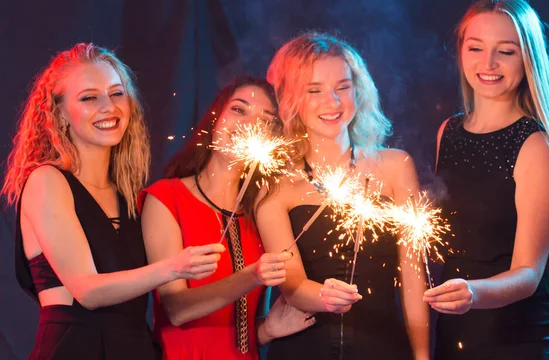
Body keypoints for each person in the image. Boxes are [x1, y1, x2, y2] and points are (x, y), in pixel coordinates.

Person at [2, 43, 224, 359]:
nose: (108, 106)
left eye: (117, 93)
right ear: (60, 113)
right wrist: (174, 267)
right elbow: (87, 290)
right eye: (89, 97)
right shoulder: (47, 181)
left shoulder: (127, 194)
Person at [425, 0, 549, 359]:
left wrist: (473, 293)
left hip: (519, 346)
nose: (489, 63)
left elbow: (528, 273)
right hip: (454, 342)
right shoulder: (447, 133)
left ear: (527, 57)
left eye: (506, 51)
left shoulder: (535, 145)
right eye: (476, 48)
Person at [256, 32, 430, 359]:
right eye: (314, 90)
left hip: (383, 346)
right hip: (305, 349)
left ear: (358, 89)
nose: (332, 102)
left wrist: (422, 355)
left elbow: (413, 277)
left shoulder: (395, 166)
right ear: (292, 99)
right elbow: (290, 285)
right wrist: (323, 295)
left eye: (343, 87)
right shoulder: (276, 183)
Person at [139, 76, 315, 360]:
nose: (249, 125)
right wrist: (252, 276)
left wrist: (268, 329)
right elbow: (178, 311)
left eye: (265, 120)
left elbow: (239, 333)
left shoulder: (262, 213)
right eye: (239, 109)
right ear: (215, 118)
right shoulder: (166, 198)